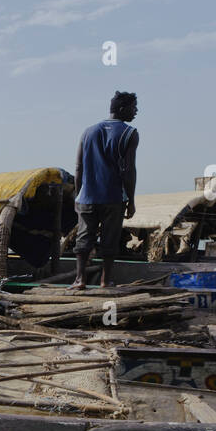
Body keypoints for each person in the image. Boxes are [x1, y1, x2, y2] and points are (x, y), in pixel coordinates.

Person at [71, 91, 138, 290]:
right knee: (110, 239)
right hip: (113, 197)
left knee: (84, 238)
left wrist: (77, 195)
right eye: (133, 107)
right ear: (122, 109)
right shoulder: (129, 133)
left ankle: (79, 280)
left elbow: (78, 168)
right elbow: (128, 170)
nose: (136, 111)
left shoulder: (88, 131)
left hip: (87, 197)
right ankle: (105, 281)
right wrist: (131, 199)